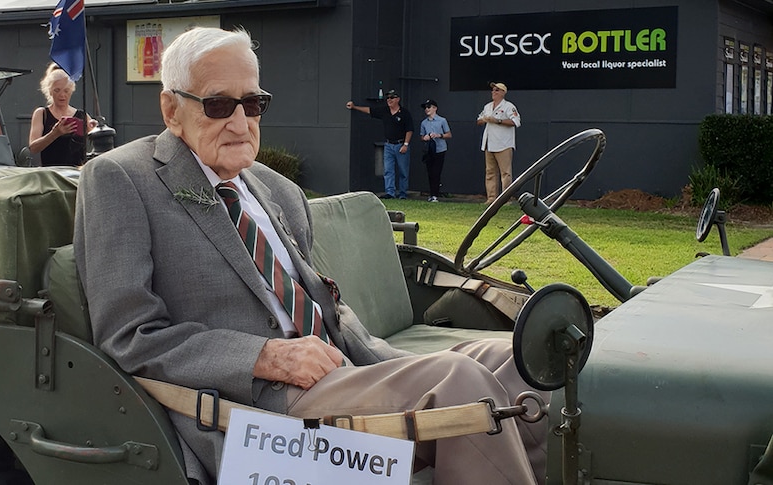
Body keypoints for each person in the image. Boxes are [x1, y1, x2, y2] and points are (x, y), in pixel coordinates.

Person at [75, 26, 548, 485]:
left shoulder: (277, 188)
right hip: (258, 406)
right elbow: (129, 336)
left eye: (253, 103)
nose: (241, 123)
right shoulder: (122, 179)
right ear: (171, 108)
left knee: (520, 360)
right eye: (219, 105)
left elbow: (322, 302)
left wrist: (382, 359)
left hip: (345, 370)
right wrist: (267, 357)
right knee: (461, 384)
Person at [346, 90, 414, 199]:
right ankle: (390, 192)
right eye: (388, 98)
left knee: (403, 171)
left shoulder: (405, 113)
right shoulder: (384, 111)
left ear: (397, 99)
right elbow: (370, 110)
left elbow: (409, 129)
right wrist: (354, 107)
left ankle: (403, 193)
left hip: (400, 144)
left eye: (392, 98)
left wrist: (405, 144)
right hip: (388, 145)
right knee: (388, 170)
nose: (389, 100)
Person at [28, 63, 98, 166]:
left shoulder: (82, 115)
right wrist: (55, 133)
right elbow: (33, 148)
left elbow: (97, 143)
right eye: (57, 90)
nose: (62, 95)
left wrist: (95, 129)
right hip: (51, 173)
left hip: (76, 173)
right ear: (50, 91)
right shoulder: (42, 114)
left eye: (66, 91)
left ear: (71, 91)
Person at [477, 82, 521, 204]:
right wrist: (484, 120)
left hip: (503, 144)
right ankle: (491, 198)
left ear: (503, 92)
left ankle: (505, 199)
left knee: (505, 173)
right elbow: (478, 120)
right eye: (493, 90)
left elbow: (516, 122)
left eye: (497, 90)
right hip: (489, 143)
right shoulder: (487, 106)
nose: (493, 92)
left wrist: (498, 120)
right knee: (490, 172)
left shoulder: (508, 106)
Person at [419, 99, 452, 202]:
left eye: (429, 107)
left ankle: (435, 194)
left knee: (436, 172)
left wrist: (439, 135)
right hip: (429, 149)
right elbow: (421, 136)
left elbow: (449, 134)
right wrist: (425, 137)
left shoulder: (442, 120)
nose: (427, 109)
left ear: (435, 108)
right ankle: (431, 193)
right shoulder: (424, 123)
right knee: (430, 172)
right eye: (425, 108)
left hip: (440, 149)